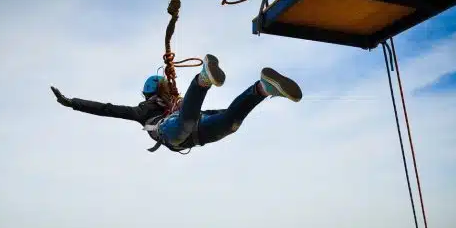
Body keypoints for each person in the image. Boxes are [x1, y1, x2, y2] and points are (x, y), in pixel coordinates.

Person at [50, 54, 302, 153]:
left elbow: (106, 109)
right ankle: (218, 82)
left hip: (184, 131)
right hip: (186, 134)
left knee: (230, 123)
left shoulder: (170, 103)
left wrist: (71, 102)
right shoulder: (145, 111)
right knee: (195, 120)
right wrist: (72, 102)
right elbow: (105, 109)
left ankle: (262, 88)